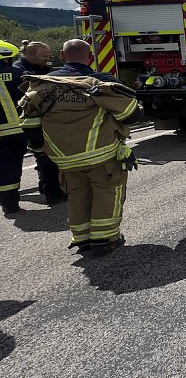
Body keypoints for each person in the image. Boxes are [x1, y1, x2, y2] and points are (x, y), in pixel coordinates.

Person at [17, 39, 141, 256]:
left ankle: (82, 238)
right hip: (101, 155)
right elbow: (130, 114)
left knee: (77, 193)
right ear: (90, 57)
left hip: (64, 159)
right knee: (107, 191)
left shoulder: (40, 86)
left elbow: (29, 125)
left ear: (62, 57)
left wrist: (41, 150)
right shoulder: (100, 84)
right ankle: (104, 239)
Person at [11, 40, 66, 205]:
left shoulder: (38, 68)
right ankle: (53, 194)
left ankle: (48, 188)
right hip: (28, 124)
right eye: (44, 56)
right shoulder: (21, 72)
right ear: (30, 55)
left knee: (45, 158)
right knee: (45, 158)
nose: (48, 59)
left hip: (38, 122)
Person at [0, 41, 27, 216]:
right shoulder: (18, 74)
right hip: (17, 130)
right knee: (11, 166)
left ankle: (6, 201)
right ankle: (10, 203)